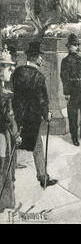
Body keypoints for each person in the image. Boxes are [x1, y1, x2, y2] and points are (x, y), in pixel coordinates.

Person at [12, 41, 58, 188]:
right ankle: (43, 177)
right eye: (40, 56)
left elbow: (15, 95)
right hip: (32, 118)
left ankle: (9, 179)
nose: (41, 59)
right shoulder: (38, 76)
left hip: (18, 116)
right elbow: (42, 101)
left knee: (12, 145)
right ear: (35, 57)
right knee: (38, 147)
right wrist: (47, 115)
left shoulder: (17, 72)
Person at [60, 34, 81, 146]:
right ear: (69, 46)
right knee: (73, 115)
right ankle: (74, 137)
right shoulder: (65, 61)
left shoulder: (79, 59)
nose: (77, 47)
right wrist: (66, 92)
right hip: (73, 92)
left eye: (78, 45)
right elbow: (64, 77)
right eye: (75, 45)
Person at [0, 50, 21, 212]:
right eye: (9, 68)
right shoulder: (5, 96)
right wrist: (16, 135)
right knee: (4, 167)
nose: (12, 70)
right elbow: (9, 118)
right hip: (2, 137)